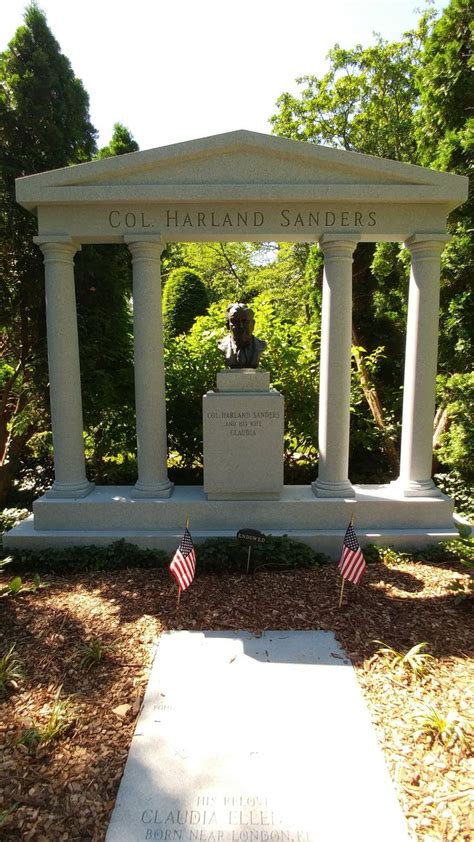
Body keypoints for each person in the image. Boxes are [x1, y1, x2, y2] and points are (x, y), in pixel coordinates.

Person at [218, 302, 266, 368]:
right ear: (228, 326)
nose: (241, 326)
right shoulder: (222, 345)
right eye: (235, 321)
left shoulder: (260, 346)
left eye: (245, 321)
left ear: (253, 324)